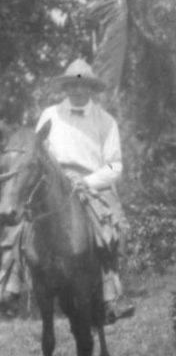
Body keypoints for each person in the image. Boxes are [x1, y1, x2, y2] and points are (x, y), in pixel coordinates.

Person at [0, 59, 135, 322]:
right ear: (65, 87)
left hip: (90, 179)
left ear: (91, 89)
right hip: (51, 177)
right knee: (19, 217)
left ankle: (111, 290)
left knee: (110, 225)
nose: (77, 91)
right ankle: (10, 280)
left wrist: (89, 181)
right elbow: (35, 150)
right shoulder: (50, 115)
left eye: (83, 86)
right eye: (72, 85)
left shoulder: (105, 121)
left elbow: (115, 165)